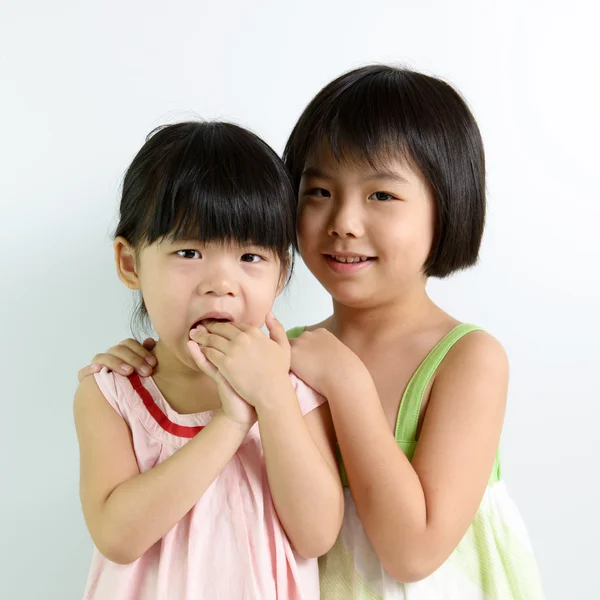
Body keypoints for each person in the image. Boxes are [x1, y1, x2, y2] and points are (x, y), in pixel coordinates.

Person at [82, 66, 544, 599]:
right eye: (319, 190)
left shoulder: (469, 360)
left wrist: (346, 384)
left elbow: (412, 553)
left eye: (382, 196)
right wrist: (150, 362)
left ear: (448, 204)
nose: (344, 220)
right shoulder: (278, 353)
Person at [74, 121, 343, 600]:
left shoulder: (296, 388)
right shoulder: (113, 391)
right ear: (130, 264)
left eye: (251, 257)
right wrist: (231, 423)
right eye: (189, 251)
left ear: (281, 274)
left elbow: (317, 534)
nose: (221, 282)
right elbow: (117, 537)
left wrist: (271, 399)